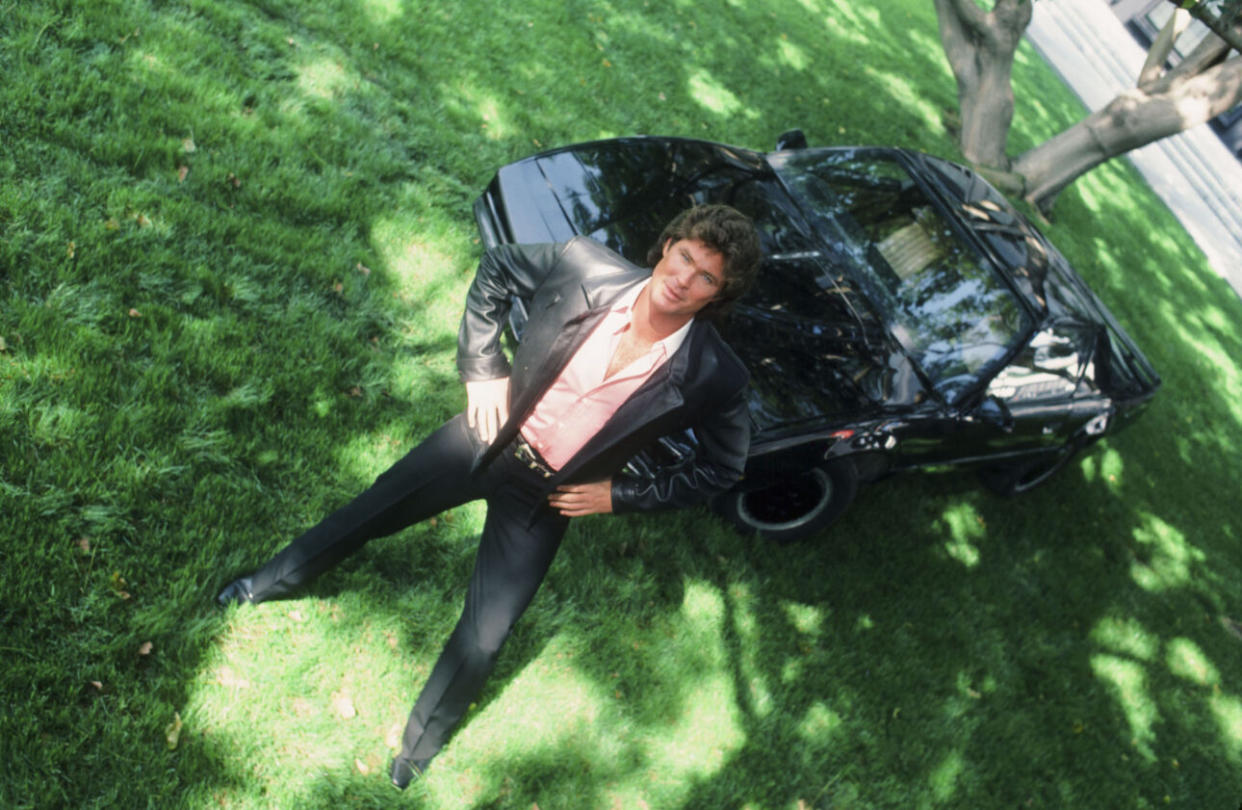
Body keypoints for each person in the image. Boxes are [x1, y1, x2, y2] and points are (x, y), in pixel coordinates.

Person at [215, 204, 762, 790]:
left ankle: (418, 747)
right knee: (368, 513)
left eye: (706, 276)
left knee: (485, 634)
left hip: (548, 496)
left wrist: (620, 494)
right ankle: (263, 584)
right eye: (684, 257)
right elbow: (497, 269)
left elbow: (723, 465)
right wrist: (482, 367)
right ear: (667, 244)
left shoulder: (715, 374)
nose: (684, 279)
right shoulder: (583, 265)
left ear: (717, 296)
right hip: (485, 438)